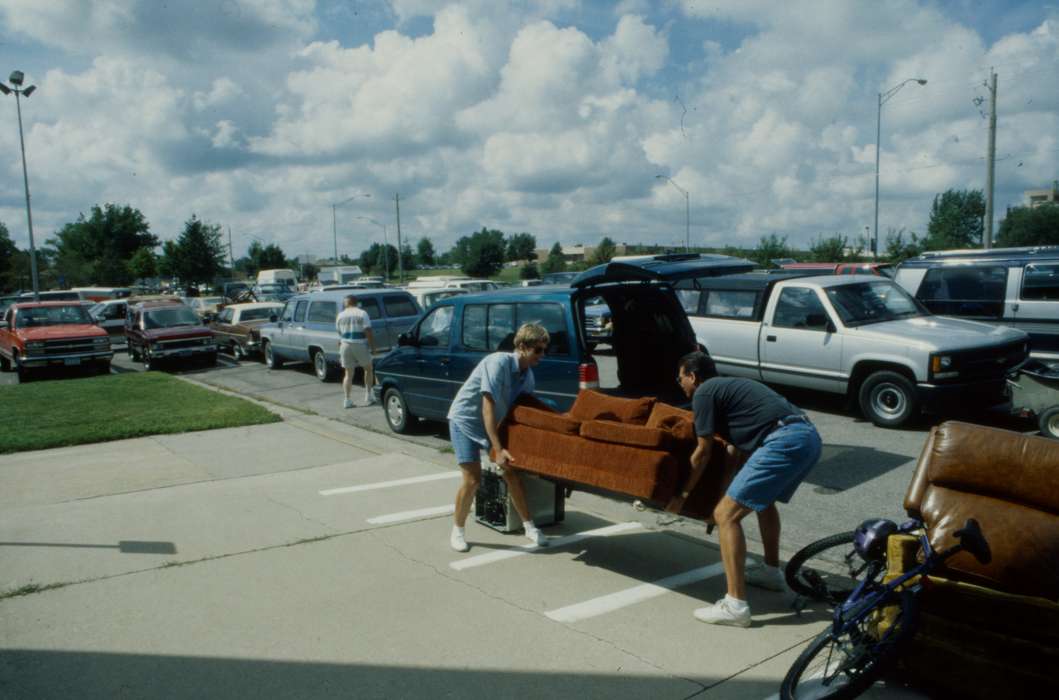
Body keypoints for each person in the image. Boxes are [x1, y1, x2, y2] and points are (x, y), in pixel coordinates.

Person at [674, 351, 822, 628]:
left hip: (784, 440)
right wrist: (720, 499)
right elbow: (733, 456)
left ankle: (735, 606)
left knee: (727, 517)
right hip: (807, 437)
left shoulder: (704, 392)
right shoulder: (729, 390)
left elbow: (702, 452)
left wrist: (682, 495)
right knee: (762, 502)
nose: (680, 383)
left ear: (693, 376)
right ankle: (771, 571)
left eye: (680, 377)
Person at [447, 323, 551, 552]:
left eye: (545, 350)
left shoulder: (528, 376)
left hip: (491, 424)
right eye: (538, 350)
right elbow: (488, 408)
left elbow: (523, 412)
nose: (542, 356)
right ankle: (458, 531)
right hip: (465, 421)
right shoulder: (498, 363)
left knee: (511, 473)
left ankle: (529, 527)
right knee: (472, 478)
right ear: (522, 347)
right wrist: (498, 448)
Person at [335, 295, 376, 408]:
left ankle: (347, 400)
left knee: (348, 373)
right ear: (356, 302)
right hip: (360, 344)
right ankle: (368, 395)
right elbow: (368, 330)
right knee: (368, 369)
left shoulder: (340, 315)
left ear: (346, 303)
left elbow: (339, 333)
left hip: (345, 344)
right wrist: (373, 348)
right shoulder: (362, 313)